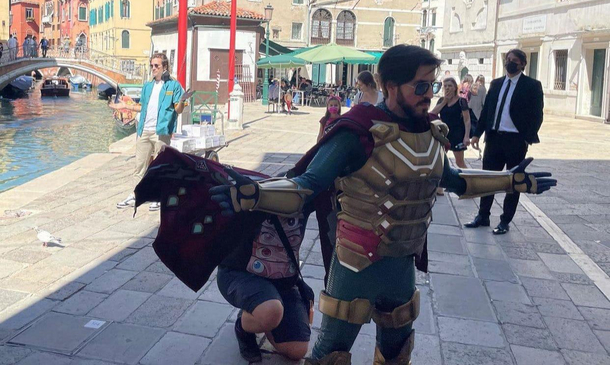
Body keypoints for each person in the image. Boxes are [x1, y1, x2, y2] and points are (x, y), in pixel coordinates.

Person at [210, 44, 556, 364]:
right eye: (419, 87)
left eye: (431, 86)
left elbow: (456, 181)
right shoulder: (357, 132)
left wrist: (511, 180)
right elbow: (307, 186)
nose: (428, 95)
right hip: (355, 266)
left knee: (397, 354)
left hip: (401, 267)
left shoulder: (432, 134)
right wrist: (255, 195)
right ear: (390, 86)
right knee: (331, 354)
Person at [465, 49, 545, 235]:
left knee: (512, 182)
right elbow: (487, 111)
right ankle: (482, 215)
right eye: (508, 60)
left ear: (523, 64)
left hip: (515, 140)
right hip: (494, 138)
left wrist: (527, 136)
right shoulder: (496, 84)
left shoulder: (532, 86)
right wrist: (477, 134)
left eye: (514, 61)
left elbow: (537, 115)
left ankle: (505, 221)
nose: (510, 63)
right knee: (487, 180)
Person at [113, 53, 192, 211]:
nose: (153, 69)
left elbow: (178, 109)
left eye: (156, 66)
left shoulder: (173, 86)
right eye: (152, 66)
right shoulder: (147, 86)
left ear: (164, 67)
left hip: (161, 131)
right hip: (145, 130)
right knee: (140, 165)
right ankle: (136, 194)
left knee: (161, 165)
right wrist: (126, 106)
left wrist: (182, 100)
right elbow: (142, 106)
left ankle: (159, 196)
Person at [431, 76, 471, 168]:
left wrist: (466, 136)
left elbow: (467, 120)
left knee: (459, 162)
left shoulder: (461, 101)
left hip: (457, 134)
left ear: (454, 87)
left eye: (450, 86)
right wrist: (444, 101)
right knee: (439, 160)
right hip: (444, 133)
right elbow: (433, 113)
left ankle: (468, 179)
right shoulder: (441, 100)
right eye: (445, 86)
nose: (447, 88)